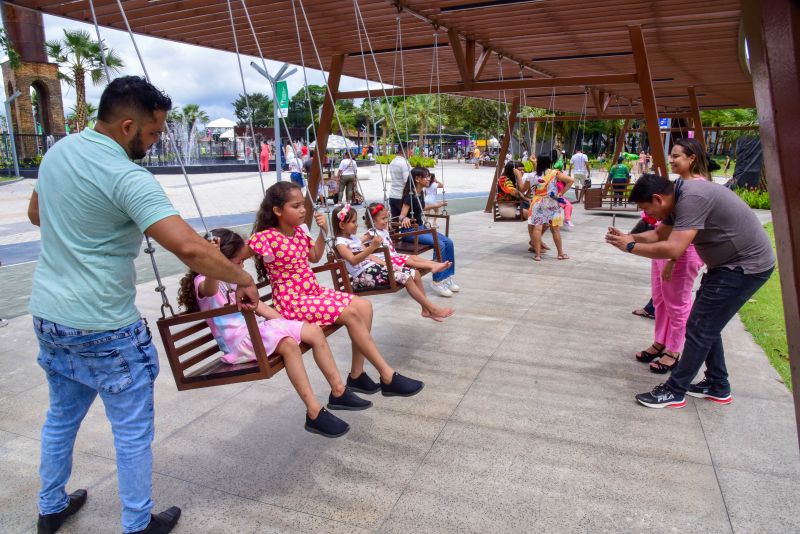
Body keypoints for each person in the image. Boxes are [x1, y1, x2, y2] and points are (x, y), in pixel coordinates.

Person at [26, 76, 262, 534]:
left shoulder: (58, 151)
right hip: (104, 325)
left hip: (49, 315)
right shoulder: (128, 177)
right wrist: (244, 278)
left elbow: (37, 214)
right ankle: (137, 524)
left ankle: (50, 507)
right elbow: (191, 250)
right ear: (129, 125)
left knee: (60, 417)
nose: (155, 144)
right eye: (153, 134)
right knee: (131, 431)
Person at [179, 228, 370, 437]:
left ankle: (339, 391)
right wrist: (211, 260)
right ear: (220, 261)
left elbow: (260, 307)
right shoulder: (204, 281)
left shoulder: (235, 281)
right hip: (238, 343)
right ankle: (314, 412)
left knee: (314, 331)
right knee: (288, 344)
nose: (242, 266)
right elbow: (210, 288)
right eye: (237, 262)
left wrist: (288, 324)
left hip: (257, 331)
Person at [239, 182, 424, 397]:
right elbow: (237, 257)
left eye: (303, 205)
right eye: (296, 206)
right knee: (350, 314)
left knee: (364, 306)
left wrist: (323, 231)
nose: (302, 210)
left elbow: (315, 256)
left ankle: (357, 375)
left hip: (313, 292)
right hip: (292, 299)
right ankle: (387, 375)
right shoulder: (265, 238)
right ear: (278, 211)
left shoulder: (299, 231)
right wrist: (243, 282)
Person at [606, 173, 775, 408]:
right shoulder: (678, 196)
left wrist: (631, 247)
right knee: (706, 326)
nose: (650, 216)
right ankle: (717, 385)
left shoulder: (691, 199)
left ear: (658, 198)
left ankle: (674, 390)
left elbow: (674, 249)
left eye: (649, 210)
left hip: (744, 267)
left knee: (699, 328)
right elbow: (658, 234)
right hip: (728, 266)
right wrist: (630, 237)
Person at [635, 139, 710, 374]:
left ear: (692, 159)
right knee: (659, 300)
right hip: (664, 247)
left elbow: (689, 231)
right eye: (672, 155)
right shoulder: (678, 186)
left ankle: (674, 350)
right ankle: (661, 340)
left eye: (677, 156)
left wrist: (672, 260)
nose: (672, 159)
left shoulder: (697, 189)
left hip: (682, 253)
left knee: (677, 304)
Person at [333, 204, 454, 322]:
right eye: (353, 222)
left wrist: (389, 265)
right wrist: (372, 247)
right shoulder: (340, 243)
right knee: (406, 278)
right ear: (342, 225)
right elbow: (353, 260)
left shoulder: (353, 239)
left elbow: (370, 256)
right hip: (363, 275)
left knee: (415, 274)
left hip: (374, 269)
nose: (357, 224)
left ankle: (426, 310)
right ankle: (433, 308)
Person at [399, 167, 459, 298]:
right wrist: (406, 218)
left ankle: (447, 277)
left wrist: (437, 205)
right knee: (439, 244)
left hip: (420, 228)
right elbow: (402, 215)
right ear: (417, 179)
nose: (428, 179)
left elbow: (421, 207)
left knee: (449, 242)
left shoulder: (421, 193)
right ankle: (437, 280)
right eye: (426, 177)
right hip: (410, 231)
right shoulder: (409, 195)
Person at [364, 202, 453, 275]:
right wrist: (367, 249)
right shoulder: (372, 232)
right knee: (409, 260)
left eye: (387, 218)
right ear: (373, 221)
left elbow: (386, 224)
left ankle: (435, 264)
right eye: (383, 218)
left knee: (414, 257)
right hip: (386, 261)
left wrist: (386, 217)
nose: (386, 220)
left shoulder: (383, 230)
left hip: (393, 257)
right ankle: (431, 266)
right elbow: (360, 241)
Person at [524, 154, 574, 261]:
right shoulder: (554, 173)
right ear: (549, 162)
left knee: (537, 228)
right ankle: (560, 254)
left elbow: (523, 188)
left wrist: (519, 175)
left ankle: (537, 255)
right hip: (552, 202)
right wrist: (561, 193)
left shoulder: (532, 175)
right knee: (555, 229)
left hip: (537, 202)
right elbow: (570, 180)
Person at [388, 144, 413, 218]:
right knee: (406, 222)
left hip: (393, 195)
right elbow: (407, 182)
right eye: (411, 150)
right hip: (401, 197)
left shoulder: (393, 161)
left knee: (395, 222)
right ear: (406, 150)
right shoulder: (404, 163)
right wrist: (407, 198)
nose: (411, 152)